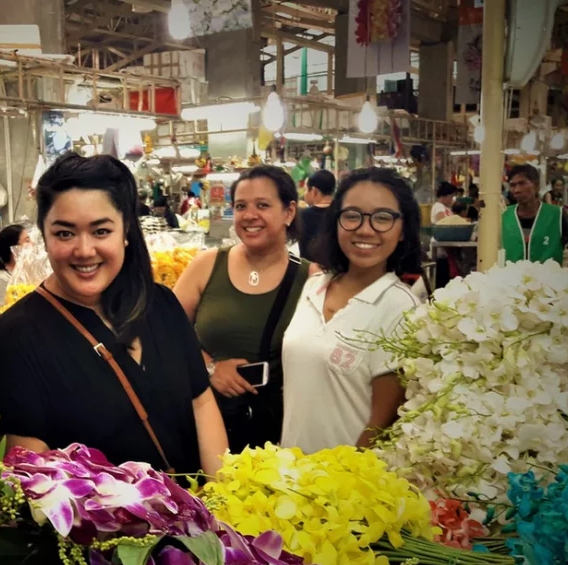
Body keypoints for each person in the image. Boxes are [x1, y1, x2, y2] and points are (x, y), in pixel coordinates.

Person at [0, 152, 228, 476]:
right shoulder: (15, 339)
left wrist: (220, 499)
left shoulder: (160, 303)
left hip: (197, 520)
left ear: (125, 231)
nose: (84, 250)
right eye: (64, 233)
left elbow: (201, 401)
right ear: (45, 237)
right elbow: (29, 479)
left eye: (101, 231)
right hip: (100, 528)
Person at [280, 167, 423, 454]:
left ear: (403, 229)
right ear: (336, 222)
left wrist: (341, 488)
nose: (365, 229)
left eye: (383, 218)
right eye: (352, 216)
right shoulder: (313, 287)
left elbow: (380, 426)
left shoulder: (401, 308)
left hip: (345, 488)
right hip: (288, 478)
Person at [173, 165, 308, 451]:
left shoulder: (311, 279)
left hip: (275, 431)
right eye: (241, 206)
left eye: (263, 205)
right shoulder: (206, 265)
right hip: (203, 420)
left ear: (289, 212)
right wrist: (209, 367)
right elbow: (164, 332)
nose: (249, 216)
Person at [503, 164, 568, 263]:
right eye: (513, 185)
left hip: (548, 277)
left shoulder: (556, 214)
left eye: (522, 183)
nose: (517, 190)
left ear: (536, 185)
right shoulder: (504, 215)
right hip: (511, 277)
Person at [0, 223, 29, 307]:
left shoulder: (23, 273)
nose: (32, 244)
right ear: (13, 248)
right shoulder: (1, 279)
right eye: (27, 241)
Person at [297, 169, 335, 260]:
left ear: (314, 191)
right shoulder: (342, 214)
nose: (305, 194)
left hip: (310, 271)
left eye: (306, 190)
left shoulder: (301, 216)